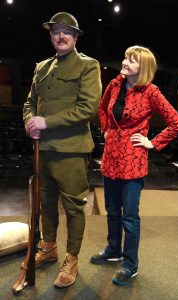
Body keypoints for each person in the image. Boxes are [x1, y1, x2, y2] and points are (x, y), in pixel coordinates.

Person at [90, 45, 178, 285]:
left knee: (129, 217)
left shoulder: (151, 92)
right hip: (111, 159)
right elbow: (102, 109)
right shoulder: (114, 84)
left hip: (133, 162)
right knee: (111, 211)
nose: (124, 62)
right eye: (125, 57)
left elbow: (176, 122)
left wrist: (152, 143)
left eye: (131, 60)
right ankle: (113, 250)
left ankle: (130, 264)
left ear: (142, 69)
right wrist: (106, 128)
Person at [23, 12, 102, 288]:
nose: (61, 36)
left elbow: (88, 108)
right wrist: (30, 123)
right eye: (56, 31)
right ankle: (50, 246)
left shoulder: (88, 66)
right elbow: (30, 103)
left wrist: (47, 122)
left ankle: (72, 258)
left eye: (67, 31)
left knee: (73, 207)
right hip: (42, 149)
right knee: (45, 203)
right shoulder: (42, 67)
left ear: (76, 37)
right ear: (51, 35)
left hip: (71, 149)